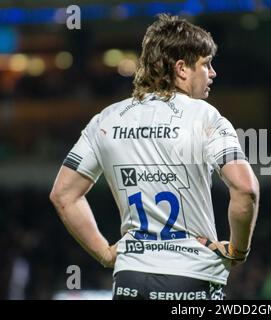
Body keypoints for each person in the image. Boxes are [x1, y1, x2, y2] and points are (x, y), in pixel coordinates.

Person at [49, 13, 259, 300]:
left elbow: (63, 195)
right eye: (206, 64)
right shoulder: (205, 116)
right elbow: (245, 188)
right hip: (192, 278)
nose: (213, 73)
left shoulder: (107, 120)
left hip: (130, 278)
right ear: (182, 69)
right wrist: (238, 250)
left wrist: (105, 254)